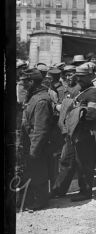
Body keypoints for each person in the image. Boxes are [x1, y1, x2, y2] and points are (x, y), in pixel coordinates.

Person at [51, 64, 96, 202]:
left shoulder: (93, 93)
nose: (78, 78)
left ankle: (85, 192)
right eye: (77, 76)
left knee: (84, 164)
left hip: (84, 133)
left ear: (90, 77)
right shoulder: (78, 90)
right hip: (72, 133)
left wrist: (75, 113)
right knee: (66, 161)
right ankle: (59, 189)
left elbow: (91, 115)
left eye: (81, 77)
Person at [19, 68, 53, 211]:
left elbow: (41, 129)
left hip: (38, 144)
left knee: (39, 172)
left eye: (25, 82)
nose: (22, 84)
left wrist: (34, 150)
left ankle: (41, 201)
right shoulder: (34, 96)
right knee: (33, 171)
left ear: (32, 82)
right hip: (31, 142)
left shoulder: (41, 100)